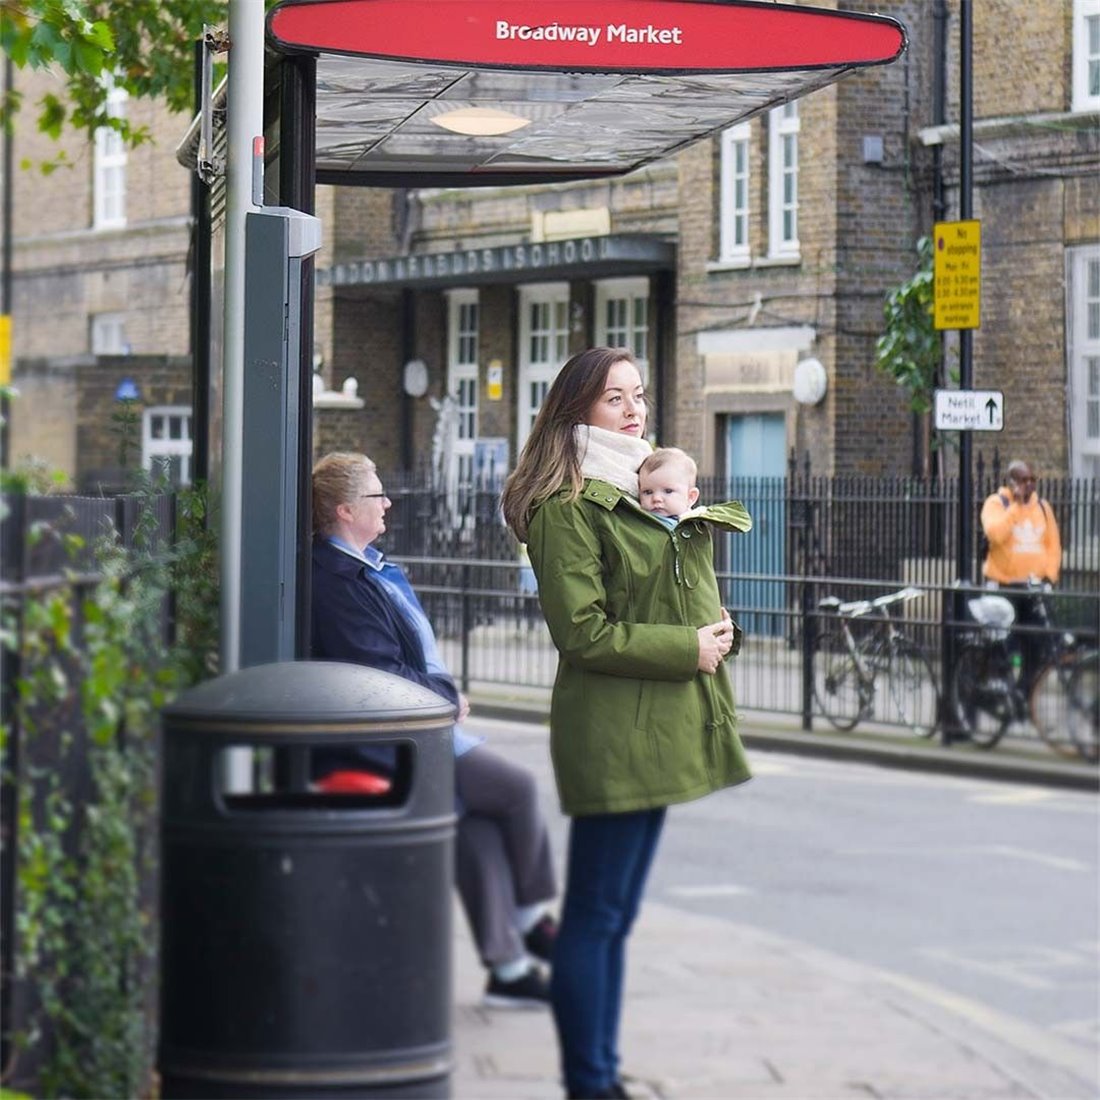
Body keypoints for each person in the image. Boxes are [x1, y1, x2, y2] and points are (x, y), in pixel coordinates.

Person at [500, 348, 753, 1100]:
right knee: (595, 916)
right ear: (578, 410)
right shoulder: (566, 506)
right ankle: (591, 1083)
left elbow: (652, 596)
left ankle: (601, 1075)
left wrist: (711, 625)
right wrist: (688, 646)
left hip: (653, 726)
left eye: (638, 394)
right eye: (616, 399)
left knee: (616, 917)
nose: (634, 409)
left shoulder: (644, 488)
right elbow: (583, 633)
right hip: (612, 733)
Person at [311, 451, 559, 1009]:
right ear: (347, 510)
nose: (388, 503)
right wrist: (444, 696)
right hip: (393, 738)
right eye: (377, 495)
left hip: (417, 725)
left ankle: (509, 968)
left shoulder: (364, 566)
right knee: (516, 789)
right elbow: (376, 670)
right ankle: (531, 918)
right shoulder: (339, 581)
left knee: (478, 832)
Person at [980, 458, 1062, 699]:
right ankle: (997, 691)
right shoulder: (997, 503)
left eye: (1031, 480)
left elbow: (1053, 545)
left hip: (1033, 587)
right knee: (1001, 643)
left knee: (1036, 644)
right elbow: (995, 534)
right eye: (1023, 480)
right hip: (1003, 586)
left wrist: (1048, 576)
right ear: (1012, 482)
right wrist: (1016, 506)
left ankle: (1024, 694)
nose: (1029, 485)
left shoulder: (1043, 508)